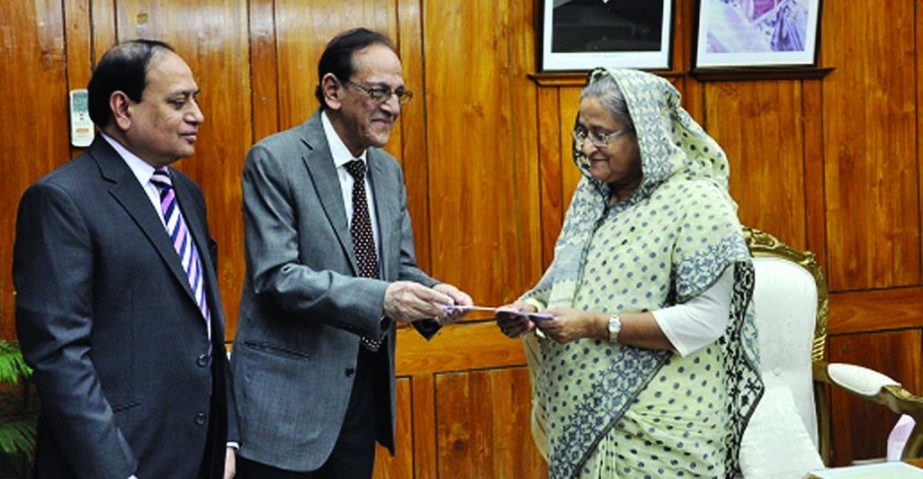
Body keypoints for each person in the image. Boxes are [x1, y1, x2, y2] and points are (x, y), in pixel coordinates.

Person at [496, 68, 764, 479]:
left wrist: (596, 326)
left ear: (646, 134)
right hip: (584, 417)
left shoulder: (696, 201)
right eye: (581, 132)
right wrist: (532, 307)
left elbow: (708, 319)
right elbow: (564, 282)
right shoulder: (591, 198)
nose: (586, 147)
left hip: (663, 431)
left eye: (601, 134)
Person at [230, 28, 472, 479]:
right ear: (332, 90)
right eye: (378, 92)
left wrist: (435, 297)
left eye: (400, 94)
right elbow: (277, 275)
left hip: (361, 395)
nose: (394, 107)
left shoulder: (386, 170)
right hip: (285, 406)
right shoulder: (275, 159)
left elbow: (395, 270)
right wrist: (382, 299)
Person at [13, 39, 236, 478]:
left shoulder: (186, 194)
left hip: (199, 453)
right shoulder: (62, 200)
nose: (197, 115)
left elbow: (205, 322)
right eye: (179, 101)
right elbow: (60, 354)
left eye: (196, 99)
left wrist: (227, 437)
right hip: (121, 459)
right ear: (122, 108)